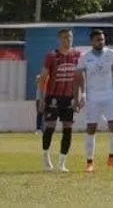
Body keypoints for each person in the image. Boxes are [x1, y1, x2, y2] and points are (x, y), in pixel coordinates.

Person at [75, 29, 113, 173]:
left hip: (109, 96)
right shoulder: (85, 57)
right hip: (93, 98)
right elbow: (80, 77)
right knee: (91, 128)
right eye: (98, 40)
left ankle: (112, 158)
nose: (101, 42)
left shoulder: (111, 53)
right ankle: (89, 162)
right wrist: (81, 95)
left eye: (102, 39)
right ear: (91, 41)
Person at [38, 28, 81, 172]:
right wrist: (41, 99)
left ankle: (62, 163)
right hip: (53, 97)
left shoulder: (78, 55)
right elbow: (42, 78)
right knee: (50, 126)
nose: (68, 40)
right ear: (59, 39)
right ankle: (46, 158)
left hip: (69, 98)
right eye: (65, 37)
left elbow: (80, 78)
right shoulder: (51, 56)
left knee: (68, 127)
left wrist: (80, 97)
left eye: (70, 37)